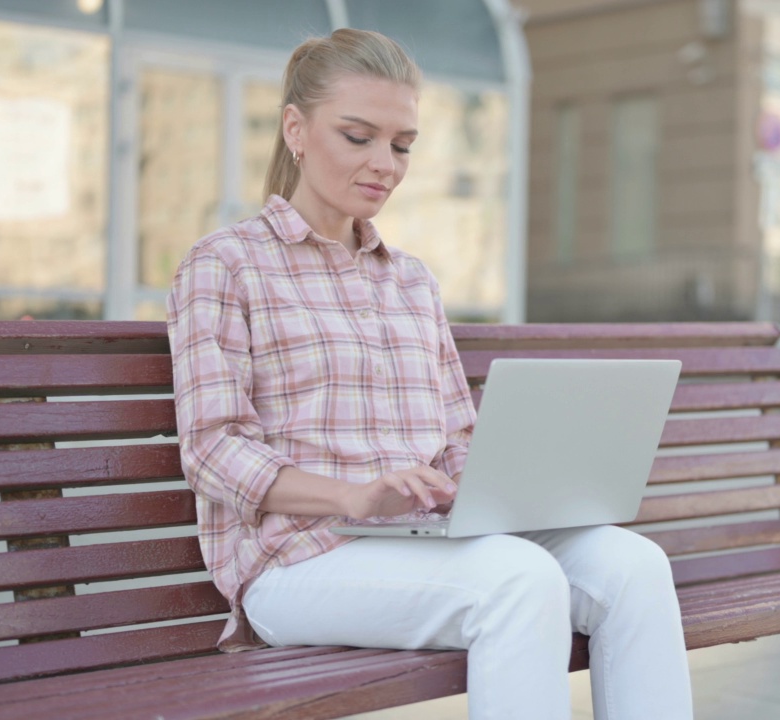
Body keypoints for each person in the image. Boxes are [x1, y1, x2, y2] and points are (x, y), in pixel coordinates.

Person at [166, 28, 693, 720]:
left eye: (402, 144)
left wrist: (505, 489)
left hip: (427, 542)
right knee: (518, 578)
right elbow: (211, 450)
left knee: (635, 566)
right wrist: (355, 497)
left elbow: (455, 437)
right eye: (358, 137)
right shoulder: (225, 265)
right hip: (297, 563)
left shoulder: (412, 281)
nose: (385, 163)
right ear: (295, 129)